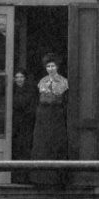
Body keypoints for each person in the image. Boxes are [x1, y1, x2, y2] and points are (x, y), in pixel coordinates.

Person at [30, 53, 69, 186]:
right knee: (42, 146)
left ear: (57, 67)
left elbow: (57, 97)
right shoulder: (42, 81)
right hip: (43, 117)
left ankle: (56, 180)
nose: (50, 69)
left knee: (55, 145)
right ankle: (40, 179)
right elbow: (41, 97)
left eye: (52, 66)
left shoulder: (63, 81)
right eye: (48, 66)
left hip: (56, 115)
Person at [11, 70, 37, 185]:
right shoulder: (11, 90)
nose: (19, 79)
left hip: (26, 125)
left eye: (21, 77)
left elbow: (21, 103)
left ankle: (24, 177)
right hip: (14, 125)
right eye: (17, 77)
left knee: (25, 149)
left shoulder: (29, 91)